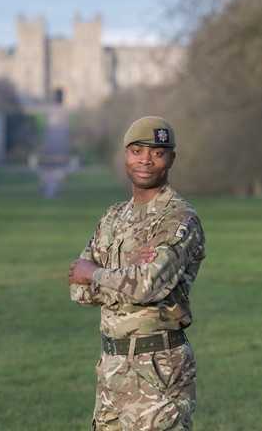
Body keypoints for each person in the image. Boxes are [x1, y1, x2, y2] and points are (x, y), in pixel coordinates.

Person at [68, 116, 206, 431]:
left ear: (171, 158)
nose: (145, 160)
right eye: (137, 150)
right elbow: (77, 289)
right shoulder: (113, 217)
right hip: (112, 369)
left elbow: (147, 285)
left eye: (157, 153)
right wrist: (120, 274)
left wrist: (97, 273)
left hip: (158, 370)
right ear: (125, 155)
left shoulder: (179, 219)